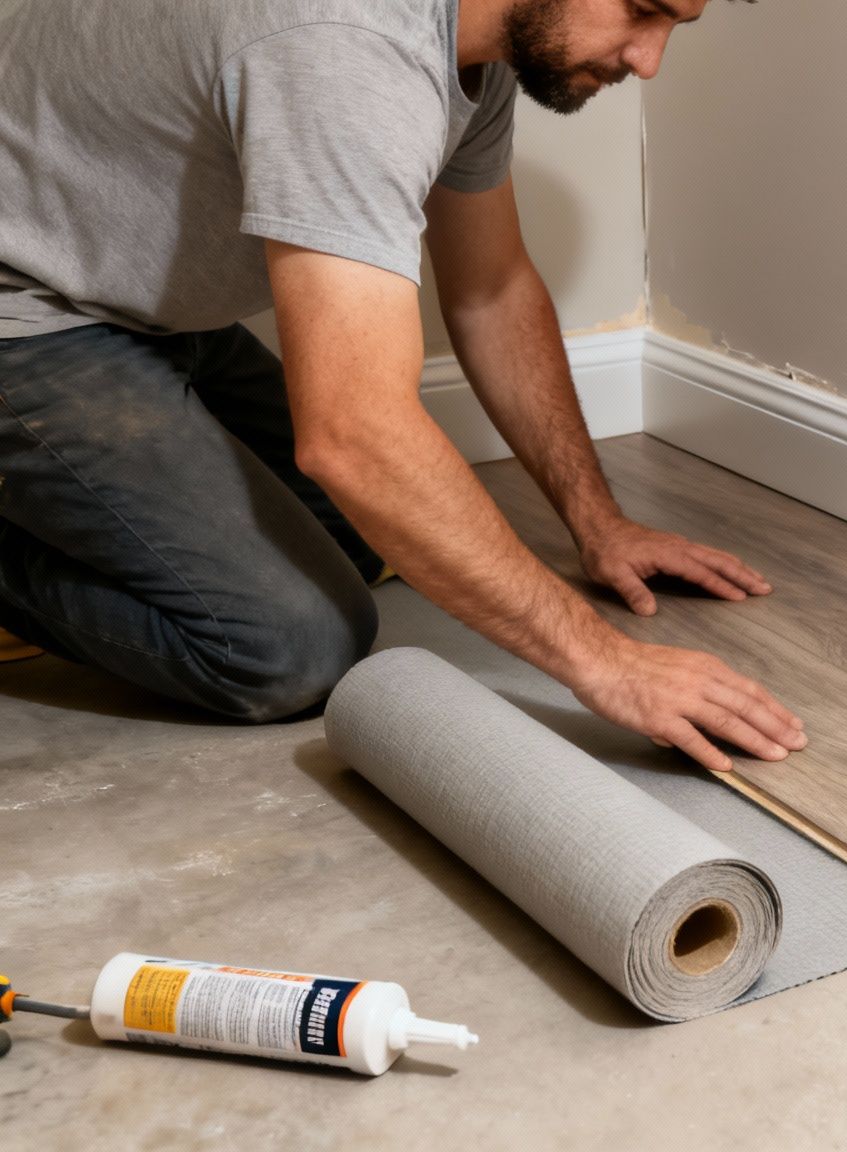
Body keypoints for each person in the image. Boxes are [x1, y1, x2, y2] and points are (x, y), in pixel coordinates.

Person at [0, 0, 805, 773]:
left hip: (136, 307)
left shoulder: (470, 53)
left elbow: (490, 289)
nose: (649, 59)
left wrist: (599, 525)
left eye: (675, 26)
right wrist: (607, 663)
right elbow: (352, 435)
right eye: (640, 7)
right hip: (24, 311)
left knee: (367, 537)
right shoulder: (344, 47)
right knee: (290, 650)